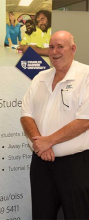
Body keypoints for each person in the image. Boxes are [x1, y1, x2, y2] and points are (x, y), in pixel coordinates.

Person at [21, 30, 89, 219]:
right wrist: (41, 144)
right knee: (41, 215)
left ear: (73, 49)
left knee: (78, 215)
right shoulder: (40, 78)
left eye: (60, 46)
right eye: (51, 47)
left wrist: (48, 141)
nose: (54, 51)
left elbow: (85, 121)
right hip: (41, 165)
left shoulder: (86, 76)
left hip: (75, 165)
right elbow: (26, 115)